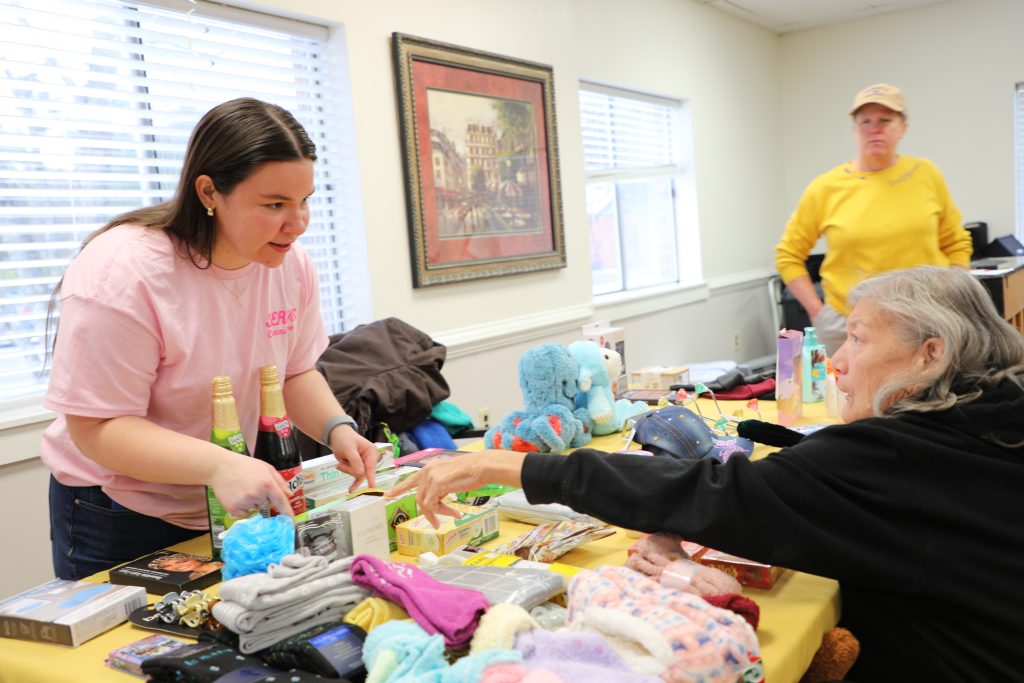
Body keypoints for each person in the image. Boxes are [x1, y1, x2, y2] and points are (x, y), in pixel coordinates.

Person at [389, 266, 1024, 681]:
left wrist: (523, 466)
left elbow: (722, 495)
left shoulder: (902, 457)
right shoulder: (988, 420)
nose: (838, 363)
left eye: (857, 339)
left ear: (930, 354)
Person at [42, 98, 380, 581]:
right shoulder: (124, 272)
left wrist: (336, 429)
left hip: (233, 496)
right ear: (209, 192)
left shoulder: (287, 262)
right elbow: (97, 426)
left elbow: (294, 372)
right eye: (274, 205)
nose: (297, 222)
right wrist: (220, 466)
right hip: (122, 510)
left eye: (304, 201)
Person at [775, 83, 972, 354]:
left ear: (903, 127)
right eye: (865, 121)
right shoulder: (825, 187)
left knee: (927, 395)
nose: (874, 128)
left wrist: (951, 300)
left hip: (925, 320)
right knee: (849, 397)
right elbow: (788, 255)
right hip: (848, 323)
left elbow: (956, 244)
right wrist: (818, 313)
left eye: (885, 120)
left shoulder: (926, 174)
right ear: (855, 130)